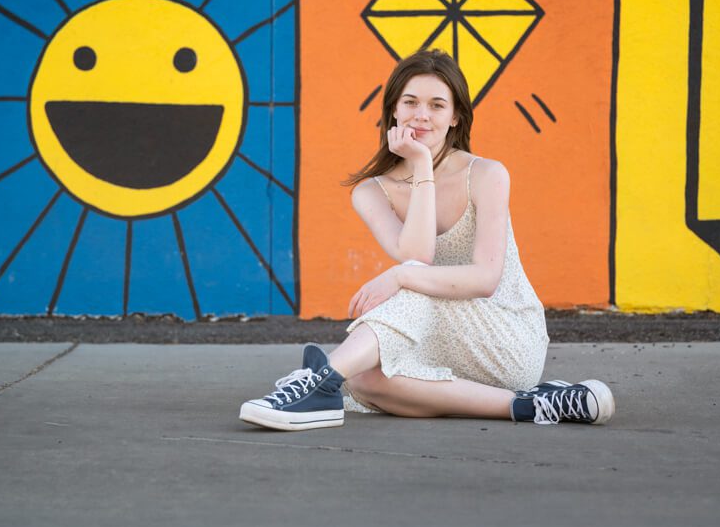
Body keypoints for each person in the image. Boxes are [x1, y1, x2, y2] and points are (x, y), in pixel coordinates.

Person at [239, 49, 614, 431]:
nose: (422, 115)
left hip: (504, 337)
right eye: (411, 102)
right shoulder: (371, 192)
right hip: (436, 337)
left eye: (437, 105)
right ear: (394, 111)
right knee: (364, 377)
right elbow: (418, 254)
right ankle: (530, 406)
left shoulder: (487, 174)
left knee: (410, 287)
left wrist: (401, 274)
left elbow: (484, 280)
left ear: (454, 117)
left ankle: (317, 381)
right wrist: (421, 168)